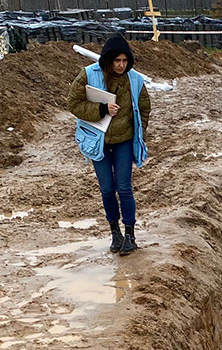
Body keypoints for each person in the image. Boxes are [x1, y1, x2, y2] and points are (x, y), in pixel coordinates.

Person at [67, 35, 150, 255]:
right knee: (106, 188)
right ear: (108, 60)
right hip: (98, 141)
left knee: (123, 187)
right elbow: (73, 103)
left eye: (124, 60)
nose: (121, 65)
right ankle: (115, 233)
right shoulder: (88, 74)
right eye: (116, 60)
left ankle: (130, 235)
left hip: (123, 140)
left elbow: (144, 108)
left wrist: (139, 133)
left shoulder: (135, 80)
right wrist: (101, 110)